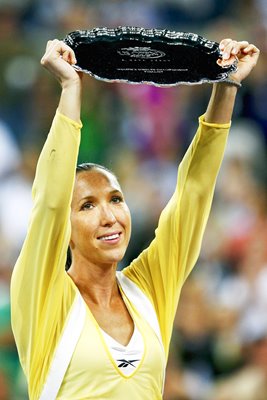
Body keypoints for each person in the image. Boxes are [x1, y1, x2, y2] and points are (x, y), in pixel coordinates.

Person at [10, 37, 259, 400]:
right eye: (87, 206)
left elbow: (193, 195)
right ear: (63, 231)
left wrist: (227, 85)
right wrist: (70, 87)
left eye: (115, 199)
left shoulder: (147, 291)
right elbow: (49, 203)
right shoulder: (44, 296)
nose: (109, 216)